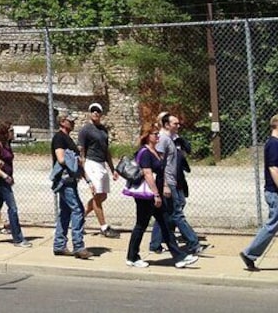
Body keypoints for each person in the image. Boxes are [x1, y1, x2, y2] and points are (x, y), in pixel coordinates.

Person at [124, 124, 198, 268]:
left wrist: (163, 187)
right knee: (141, 225)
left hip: (155, 194)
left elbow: (161, 172)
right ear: (147, 136)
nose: (157, 136)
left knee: (164, 223)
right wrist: (156, 194)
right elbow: (148, 174)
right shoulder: (145, 152)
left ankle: (179, 257)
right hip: (147, 196)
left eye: (158, 133)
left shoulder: (155, 151)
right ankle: (132, 257)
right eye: (154, 134)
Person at [149, 112, 208, 255]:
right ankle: (193, 244)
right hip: (168, 182)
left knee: (165, 214)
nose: (178, 125)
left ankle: (155, 244)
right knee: (177, 214)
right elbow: (160, 164)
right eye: (175, 123)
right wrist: (165, 185)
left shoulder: (171, 139)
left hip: (174, 181)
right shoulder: (163, 139)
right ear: (167, 125)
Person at [51, 112, 92, 259]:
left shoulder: (68, 139)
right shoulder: (59, 138)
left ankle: (59, 245)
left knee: (66, 212)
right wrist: (75, 158)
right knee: (78, 210)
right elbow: (61, 159)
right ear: (62, 122)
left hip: (71, 181)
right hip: (64, 181)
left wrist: (88, 181)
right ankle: (78, 246)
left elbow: (78, 163)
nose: (73, 123)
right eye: (70, 121)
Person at [240, 114, 278, 271]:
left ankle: (250, 253)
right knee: (272, 225)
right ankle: (250, 253)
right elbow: (274, 168)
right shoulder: (274, 144)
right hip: (275, 192)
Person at [78, 102, 120, 238]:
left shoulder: (103, 130)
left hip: (102, 164)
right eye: (93, 110)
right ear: (90, 113)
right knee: (97, 196)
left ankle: (79, 219)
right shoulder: (85, 129)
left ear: (101, 114)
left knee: (103, 196)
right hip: (92, 164)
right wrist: (83, 168)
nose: (95, 113)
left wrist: (112, 168)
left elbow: (106, 151)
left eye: (98, 111)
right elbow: (82, 151)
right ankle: (104, 227)